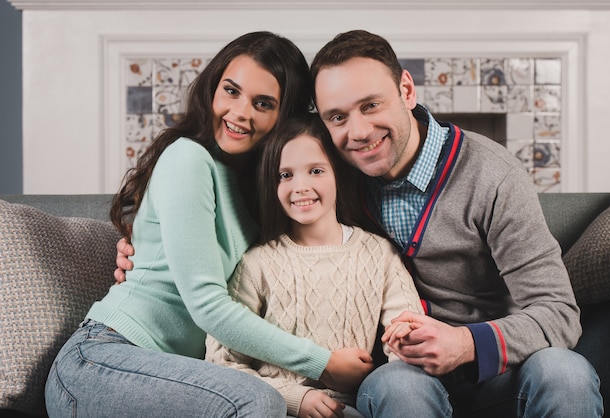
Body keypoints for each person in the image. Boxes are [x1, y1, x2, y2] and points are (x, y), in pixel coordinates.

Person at [44, 31, 373, 418]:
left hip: (183, 376)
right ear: (212, 88)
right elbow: (206, 305)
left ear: (284, 118)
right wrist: (323, 362)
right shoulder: (188, 158)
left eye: (263, 103)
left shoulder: (265, 193)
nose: (240, 112)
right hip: (102, 359)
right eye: (231, 91)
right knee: (256, 400)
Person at [308, 29, 603, 417]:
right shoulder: (330, 179)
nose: (358, 132)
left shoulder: (493, 176)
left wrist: (465, 343)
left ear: (407, 90)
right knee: (398, 387)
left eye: (371, 105)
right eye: (338, 117)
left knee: (566, 373)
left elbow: (558, 312)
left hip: (499, 373)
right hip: (404, 378)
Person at [204, 113, 424, 418]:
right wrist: (295, 397)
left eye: (316, 170)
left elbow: (407, 329)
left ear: (338, 174)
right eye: (286, 175)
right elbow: (221, 362)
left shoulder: (377, 254)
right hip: (277, 408)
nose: (300, 186)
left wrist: (404, 336)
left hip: (351, 408)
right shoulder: (257, 264)